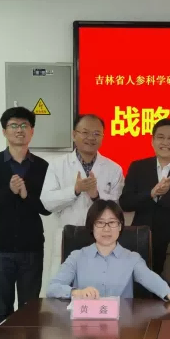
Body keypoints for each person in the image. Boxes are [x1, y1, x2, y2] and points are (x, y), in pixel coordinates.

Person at [0, 107, 51, 328]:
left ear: (32, 131)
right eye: (14, 125)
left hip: (31, 249)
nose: (19, 130)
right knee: (1, 310)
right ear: (4, 131)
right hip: (0, 249)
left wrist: (26, 196)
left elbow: (47, 209)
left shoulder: (42, 166)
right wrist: (8, 191)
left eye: (25, 125)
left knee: (30, 311)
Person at [40, 114, 124, 284]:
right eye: (85, 132)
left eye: (96, 134)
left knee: (99, 288)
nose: (91, 138)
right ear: (74, 134)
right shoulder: (57, 165)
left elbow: (117, 207)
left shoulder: (114, 168)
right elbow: (47, 202)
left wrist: (96, 196)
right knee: (63, 290)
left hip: (102, 239)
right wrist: (75, 190)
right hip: (68, 235)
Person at [46, 199, 170, 303]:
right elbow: (52, 288)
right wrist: (76, 293)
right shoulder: (77, 257)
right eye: (100, 223)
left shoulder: (132, 258)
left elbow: (151, 279)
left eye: (112, 222)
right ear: (91, 227)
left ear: (120, 226)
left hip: (121, 324)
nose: (106, 229)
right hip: (84, 323)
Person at [119, 119, 170, 274]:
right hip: (141, 238)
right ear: (152, 141)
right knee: (139, 283)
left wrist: (165, 196)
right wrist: (151, 194)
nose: (165, 142)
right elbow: (125, 203)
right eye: (160, 137)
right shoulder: (138, 167)